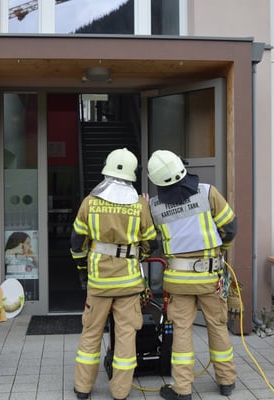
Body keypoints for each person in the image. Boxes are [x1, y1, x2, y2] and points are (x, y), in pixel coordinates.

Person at [146, 150, 238, 399]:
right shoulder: (208, 193)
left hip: (178, 281)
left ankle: (182, 389)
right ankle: (226, 381)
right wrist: (220, 252)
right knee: (217, 326)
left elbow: (149, 242)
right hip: (210, 276)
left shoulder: (153, 206)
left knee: (182, 332)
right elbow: (230, 228)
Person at [70, 148, 157, 400]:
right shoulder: (140, 205)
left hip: (99, 282)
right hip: (129, 284)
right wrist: (137, 255)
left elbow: (77, 242)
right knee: (126, 336)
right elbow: (151, 243)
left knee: (91, 333)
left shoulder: (89, 202)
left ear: (107, 170)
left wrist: (83, 270)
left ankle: (83, 388)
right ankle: (120, 392)